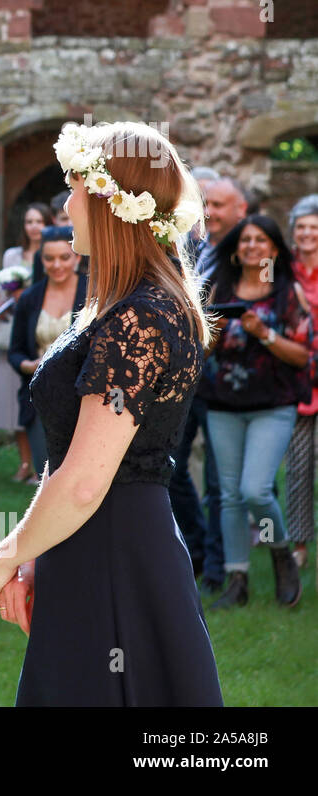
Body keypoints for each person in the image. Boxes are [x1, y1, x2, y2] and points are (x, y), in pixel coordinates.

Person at [0, 120, 222, 706]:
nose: (66, 204)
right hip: (94, 540)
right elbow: (70, 453)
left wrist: (5, 554)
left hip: (115, 544)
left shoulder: (139, 317)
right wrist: (40, 543)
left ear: (110, 202)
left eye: (76, 189)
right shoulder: (125, 306)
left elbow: (88, 480)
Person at [200, 214, 308, 609]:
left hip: (272, 405)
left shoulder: (286, 294)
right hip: (223, 404)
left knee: (255, 490)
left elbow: (301, 356)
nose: (251, 247)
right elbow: (202, 351)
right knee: (227, 496)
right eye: (244, 240)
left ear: (274, 249)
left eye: (260, 240)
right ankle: (237, 578)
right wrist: (213, 330)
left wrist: (264, 334)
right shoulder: (218, 290)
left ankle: (280, 553)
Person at [172, 175, 248, 591]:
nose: (210, 212)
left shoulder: (251, 257)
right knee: (170, 469)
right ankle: (197, 551)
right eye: (206, 204)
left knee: (221, 483)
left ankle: (221, 572)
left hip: (225, 386)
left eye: (219, 205)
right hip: (185, 380)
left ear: (242, 211)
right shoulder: (191, 250)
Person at [7, 228, 87, 484]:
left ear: (76, 257)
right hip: (39, 395)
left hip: (82, 397)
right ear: (40, 259)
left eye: (64, 257)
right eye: (49, 258)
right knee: (48, 479)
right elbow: (15, 350)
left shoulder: (93, 293)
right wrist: (28, 365)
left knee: (81, 479)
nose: (56, 265)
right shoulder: (30, 298)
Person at [0, 203, 52, 482]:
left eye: (39, 221)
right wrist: (4, 300)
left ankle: (46, 465)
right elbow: (3, 291)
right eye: (29, 221)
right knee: (15, 401)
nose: (33, 226)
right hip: (15, 328)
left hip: (43, 327)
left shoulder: (54, 255)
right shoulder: (12, 256)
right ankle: (25, 462)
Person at [285, 194, 318, 573]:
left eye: (314, 227)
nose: (308, 233)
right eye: (302, 227)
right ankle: (298, 545)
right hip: (294, 380)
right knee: (296, 467)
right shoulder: (280, 271)